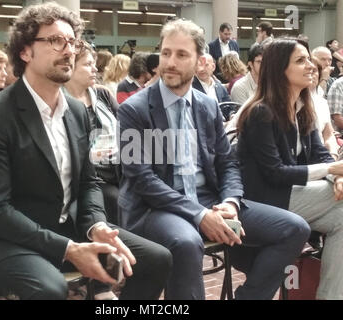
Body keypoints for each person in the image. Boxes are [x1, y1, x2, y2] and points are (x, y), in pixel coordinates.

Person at [0, 2, 171, 300]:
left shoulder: (75, 110)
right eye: (55, 41)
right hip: (5, 241)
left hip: (65, 228)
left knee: (156, 259)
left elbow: (89, 182)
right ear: (25, 52)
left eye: (72, 41)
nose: (69, 50)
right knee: (50, 289)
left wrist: (96, 225)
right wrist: (68, 249)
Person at [118, 19, 310, 300]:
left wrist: (231, 201)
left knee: (295, 228)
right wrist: (199, 215)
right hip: (154, 208)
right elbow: (142, 179)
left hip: (209, 199)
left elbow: (227, 163)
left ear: (199, 61)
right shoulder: (134, 109)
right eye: (166, 53)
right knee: (186, 241)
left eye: (182, 54)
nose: (170, 62)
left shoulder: (206, 105)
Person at [237, 38, 343, 300]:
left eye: (308, 59)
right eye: (301, 60)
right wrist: (333, 170)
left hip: (294, 195)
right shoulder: (260, 112)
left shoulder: (303, 108)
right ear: (279, 69)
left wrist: (336, 176)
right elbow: (275, 172)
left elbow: (319, 154)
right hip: (263, 200)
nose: (311, 66)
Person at [64, 42, 120, 225]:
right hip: (88, 178)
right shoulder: (60, 104)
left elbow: (124, 129)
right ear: (70, 67)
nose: (95, 69)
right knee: (117, 199)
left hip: (117, 168)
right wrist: (91, 155)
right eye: (88, 64)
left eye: (94, 64)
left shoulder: (102, 95)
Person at [310, 56, 340, 158]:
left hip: (326, 156)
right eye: (323, 59)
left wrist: (333, 154)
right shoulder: (292, 102)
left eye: (315, 71)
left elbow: (329, 134)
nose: (312, 75)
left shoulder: (321, 102)